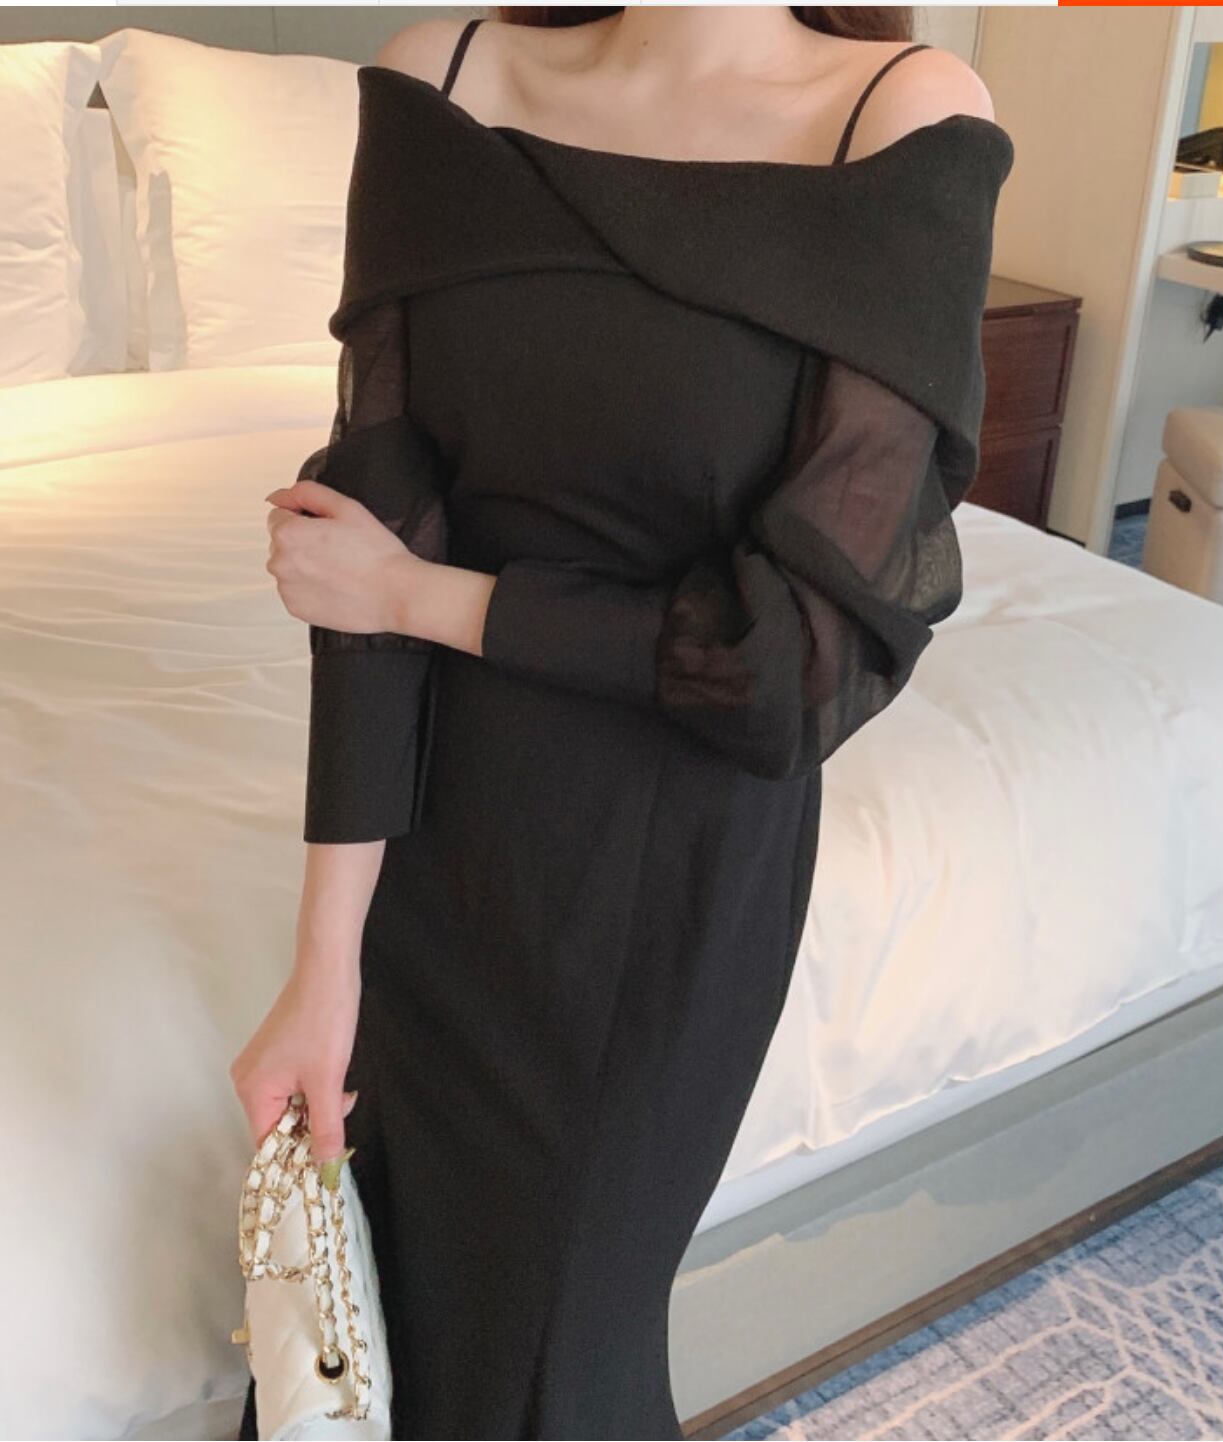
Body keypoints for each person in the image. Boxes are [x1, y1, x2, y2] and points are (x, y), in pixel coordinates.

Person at [231, 8, 1012, 1438]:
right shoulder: (441, 77)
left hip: (669, 871)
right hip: (435, 838)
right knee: (382, 1322)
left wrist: (424, 597)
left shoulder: (899, 120)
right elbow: (362, 550)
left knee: (551, 1350)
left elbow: (790, 663)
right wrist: (323, 963)